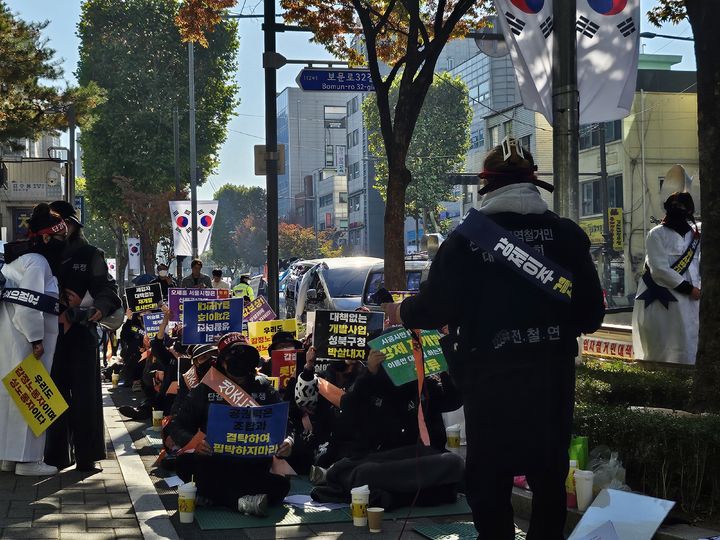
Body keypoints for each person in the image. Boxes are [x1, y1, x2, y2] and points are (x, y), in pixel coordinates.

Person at [385, 140, 605, 539]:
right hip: (552, 376)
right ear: (534, 182)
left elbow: (435, 309)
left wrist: (401, 312)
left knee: (489, 478)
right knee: (550, 477)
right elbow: (591, 315)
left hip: (489, 378)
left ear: (487, 186)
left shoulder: (466, 241)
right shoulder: (567, 236)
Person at [167, 338, 294, 515]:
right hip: (215, 462)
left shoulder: (263, 387)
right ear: (222, 362)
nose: (239, 369)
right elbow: (177, 425)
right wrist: (195, 444)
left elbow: (286, 425)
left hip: (252, 465)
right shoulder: (206, 388)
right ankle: (238, 501)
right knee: (183, 464)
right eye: (233, 360)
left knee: (281, 486)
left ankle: (213, 496)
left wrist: (288, 441)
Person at [45, 200, 122, 472]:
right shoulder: (36, 254)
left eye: (61, 222)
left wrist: (88, 308)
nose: (56, 229)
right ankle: (53, 457)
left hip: (81, 335)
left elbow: (109, 293)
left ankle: (86, 456)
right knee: (51, 395)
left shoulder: (91, 254)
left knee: (86, 397)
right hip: (46, 337)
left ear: (71, 225)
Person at [0, 204, 67, 476]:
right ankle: (29, 461)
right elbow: (30, 306)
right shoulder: (38, 263)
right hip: (30, 343)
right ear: (47, 237)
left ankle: (8, 457)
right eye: (60, 237)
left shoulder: (18, 261)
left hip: (11, 340)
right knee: (31, 395)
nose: (63, 243)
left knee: (11, 397)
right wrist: (36, 339)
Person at [632, 192, 701, 364]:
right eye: (674, 206)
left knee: (690, 342)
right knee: (663, 344)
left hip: (694, 298)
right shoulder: (656, 234)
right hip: (663, 298)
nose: (677, 210)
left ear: (690, 210)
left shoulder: (696, 235)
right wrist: (688, 289)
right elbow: (659, 269)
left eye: (682, 207)